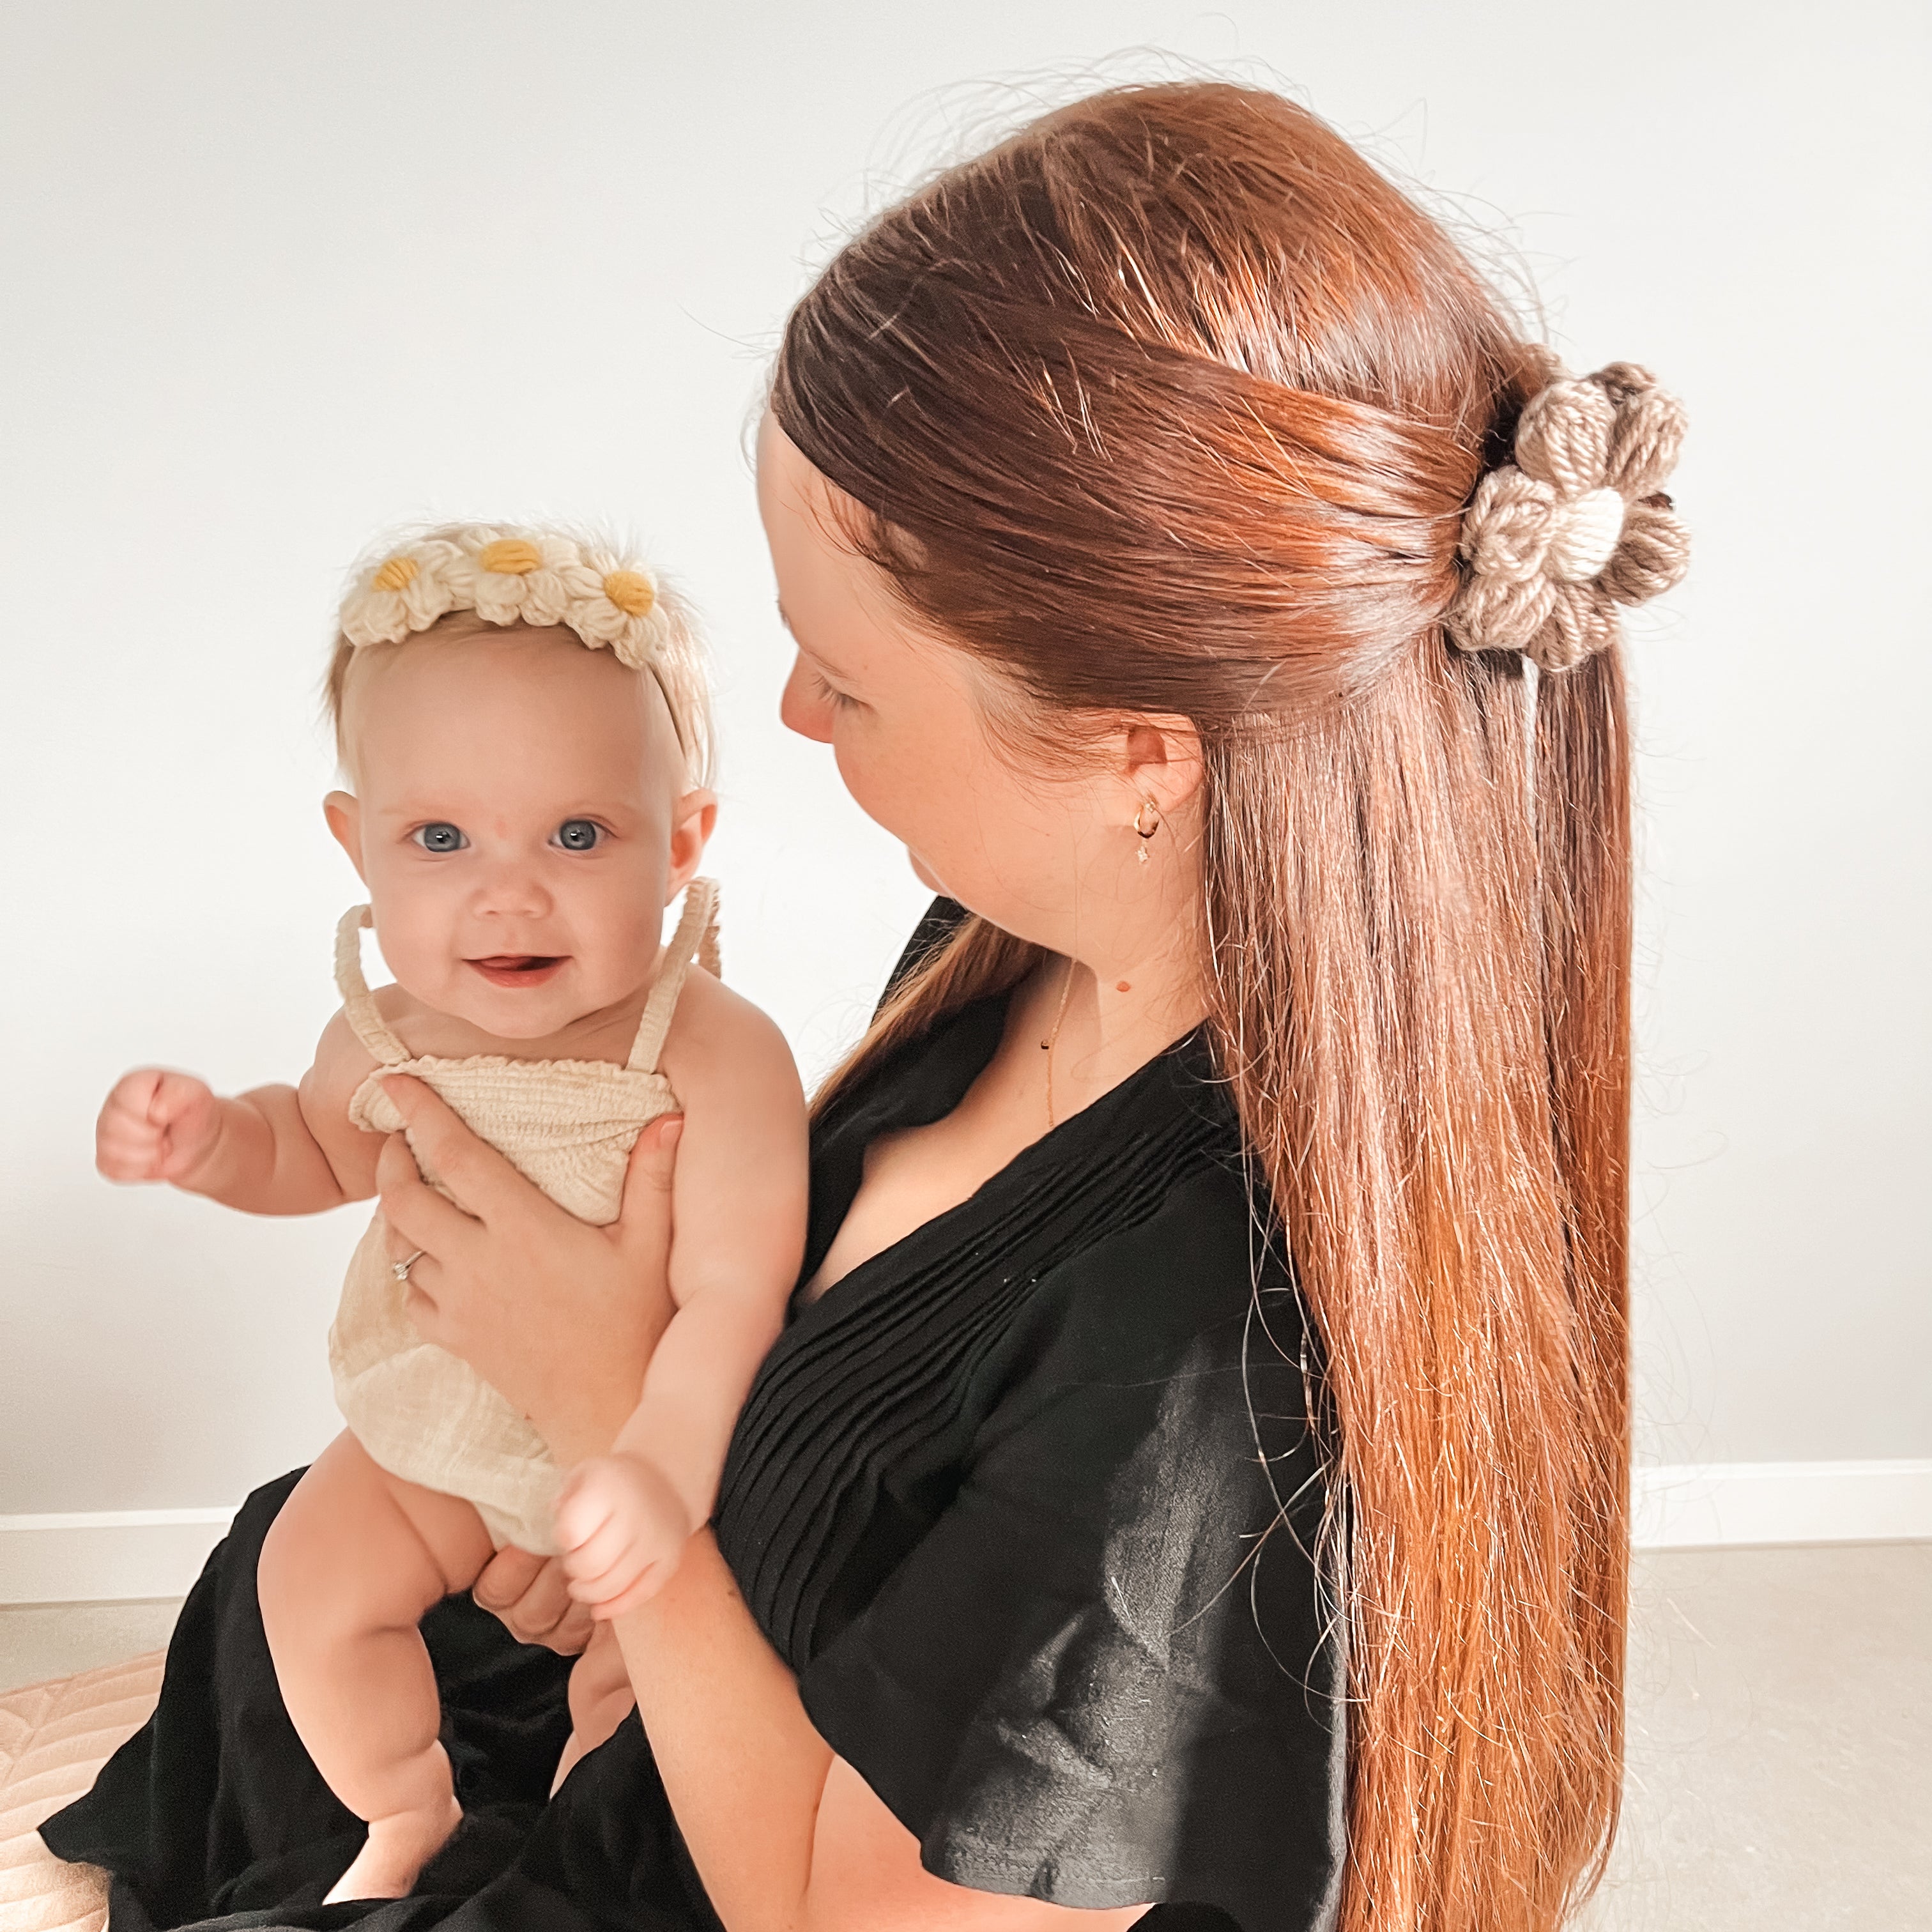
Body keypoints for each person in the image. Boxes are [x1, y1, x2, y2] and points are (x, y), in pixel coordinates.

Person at [42, 79, 1688, 1932]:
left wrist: (606, 1426)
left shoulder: (1198, 1374)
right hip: (659, 1634)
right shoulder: (1024, 942)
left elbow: (821, 1912)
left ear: (1139, 752)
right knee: (291, 1571)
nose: (803, 722)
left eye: (847, 678)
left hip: (734, 1856)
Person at [88, 524, 810, 1901]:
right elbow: (307, 1149)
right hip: (435, 1442)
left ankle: (573, 1842)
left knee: (644, 1696)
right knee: (303, 1576)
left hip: (650, 1458)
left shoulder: (711, 1050)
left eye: (580, 834)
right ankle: (403, 1810)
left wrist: (655, 1468)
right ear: (358, 846)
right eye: (440, 838)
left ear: (684, 841)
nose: (509, 890)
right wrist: (213, 1141)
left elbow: (736, 1288)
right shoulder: (385, 1039)